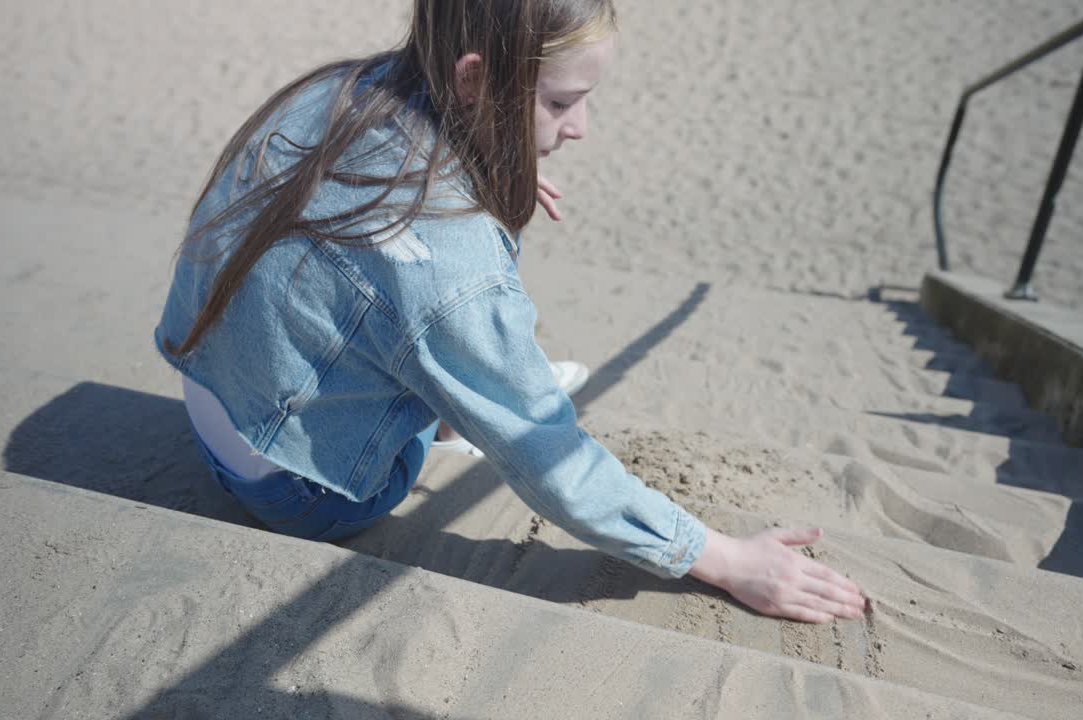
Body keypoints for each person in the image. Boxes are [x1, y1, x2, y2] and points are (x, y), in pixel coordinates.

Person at [155, 0, 866, 624]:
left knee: (416, 308)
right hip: (301, 493)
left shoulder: (351, 88)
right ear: (472, 81)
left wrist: (499, 168)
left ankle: (478, 378)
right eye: (560, 102)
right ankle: (474, 395)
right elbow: (553, 464)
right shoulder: (453, 265)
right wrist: (726, 560)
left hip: (214, 392)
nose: (581, 125)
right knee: (471, 349)